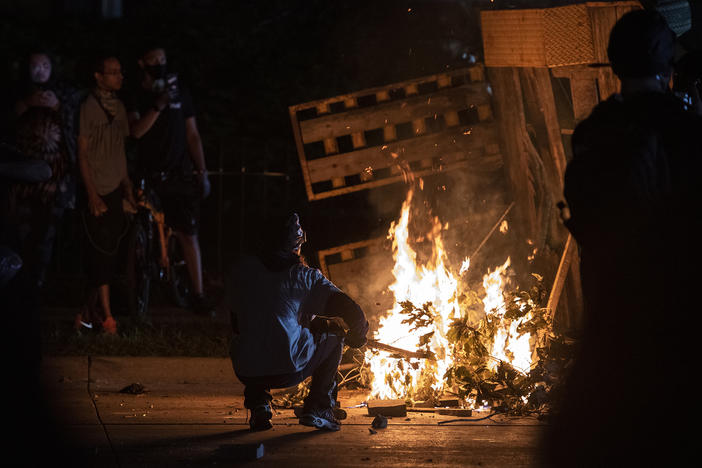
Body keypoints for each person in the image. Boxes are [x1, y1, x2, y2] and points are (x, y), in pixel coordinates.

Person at [543, 10, 702, 466]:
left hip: (611, 304)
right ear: (667, 63)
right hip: (676, 306)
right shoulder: (684, 128)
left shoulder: (593, 131)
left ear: (614, 64)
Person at [226, 212, 369, 432]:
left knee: (252, 334)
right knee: (335, 334)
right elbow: (352, 312)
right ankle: (319, 407)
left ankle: (258, 404)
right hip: (286, 371)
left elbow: (240, 321)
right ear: (297, 246)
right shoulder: (304, 277)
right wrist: (357, 336)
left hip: (246, 369)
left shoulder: (241, 270)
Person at [126, 46, 213, 315]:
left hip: (178, 174)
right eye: (154, 60)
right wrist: (158, 105)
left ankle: (197, 294)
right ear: (142, 63)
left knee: (188, 232)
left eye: (163, 59)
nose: (159, 64)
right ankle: (139, 287)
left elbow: (192, 134)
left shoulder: (181, 94)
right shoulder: (137, 96)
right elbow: (136, 132)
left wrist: (202, 171)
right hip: (148, 173)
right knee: (141, 226)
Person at [76, 54, 135, 334]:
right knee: (100, 254)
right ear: (98, 76)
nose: (119, 76)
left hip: (114, 188)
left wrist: (126, 186)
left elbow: (119, 150)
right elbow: (83, 152)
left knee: (110, 255)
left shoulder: (120, 108)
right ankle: (107, 317)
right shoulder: (88, 107)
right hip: (97, 188)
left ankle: (85, 314)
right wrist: (92, 194)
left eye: (120, 72)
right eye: (113, 72)